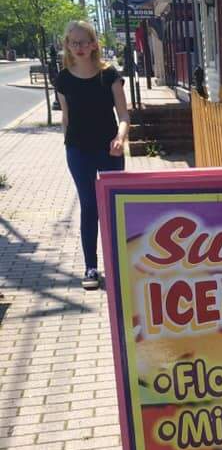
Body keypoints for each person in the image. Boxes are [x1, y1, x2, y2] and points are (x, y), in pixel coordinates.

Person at [56, 20, 129, 290]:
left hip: (109, 149)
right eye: (74, 42)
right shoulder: (63, 78)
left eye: (84, 41)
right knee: (89, 207)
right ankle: (91, 267)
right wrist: (67, 143)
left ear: (94, 43)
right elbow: (66, 117)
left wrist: (120, 138)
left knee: (112, 206)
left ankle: (120, 263)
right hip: (78, 151)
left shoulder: (108, 74)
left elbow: (123, 114)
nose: (79, 47)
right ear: (67, 45)